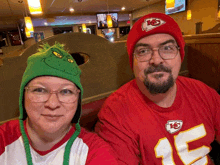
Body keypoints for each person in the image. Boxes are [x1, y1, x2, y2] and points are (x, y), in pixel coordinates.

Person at [95, 13, 220, 165]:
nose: (156, 60)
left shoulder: (203, 92)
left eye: (167, 48)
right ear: (132, 62)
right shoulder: (114, 114)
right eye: (143, 51)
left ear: (180, 55)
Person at [0, 42, 118, 165]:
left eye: (66, 91)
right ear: (24, 96)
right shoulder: (4, 138)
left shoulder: (94, 151)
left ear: (77, 99)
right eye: (40, 90)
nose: (52, 104)